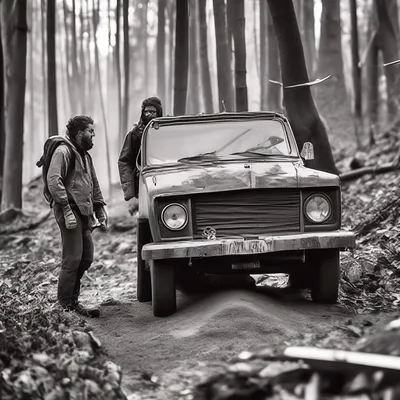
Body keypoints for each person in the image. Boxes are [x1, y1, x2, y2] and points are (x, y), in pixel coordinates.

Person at [46, 115, 107, 318]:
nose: (93, 134)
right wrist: (65, 208)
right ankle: (65, 308)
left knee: (86, 257)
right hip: (69, 211)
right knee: (72, 259)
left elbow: (93, 184)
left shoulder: (84, 155)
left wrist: (100, 210)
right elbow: (54, 181)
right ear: (80, 133)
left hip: (83, 212)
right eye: (90, 131)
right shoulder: (63, 151)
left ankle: (72, 302)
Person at [118, 96, 163, 201]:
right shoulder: (135, 134)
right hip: (142, 184)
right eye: (146, 111)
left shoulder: (166, 131)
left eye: (153, 112)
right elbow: (124, 161)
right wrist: (130, 193)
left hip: (164, 180)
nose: (149, 114)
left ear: (158, 112)